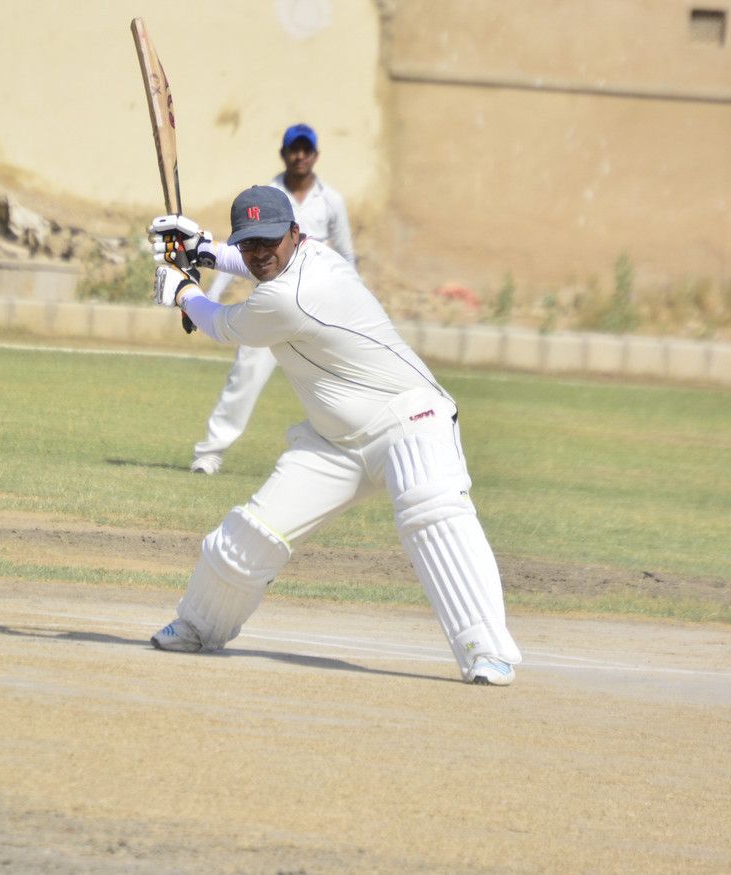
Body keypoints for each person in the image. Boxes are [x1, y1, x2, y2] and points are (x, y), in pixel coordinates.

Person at [146, 186, 522, 685]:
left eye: (269, 240)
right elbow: (255, 265)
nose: (259, 252)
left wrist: (182, 291)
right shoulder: (304, 259)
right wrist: (203, 251)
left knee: (431, 514)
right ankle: (199, 625)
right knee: (251, 534)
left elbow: (222, 325)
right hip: (333, 442)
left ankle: (487, 652)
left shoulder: (292, 295)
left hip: (408, 420)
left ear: (294, 234)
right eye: (249, 242)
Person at [190, 122, 355, 475]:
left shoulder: (331, 200)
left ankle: (344, 456)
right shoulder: (268, 195)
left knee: (332, 381)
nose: (299, 156)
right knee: (245, 375)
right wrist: (208, 296)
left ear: (315, 155)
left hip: (317, 307)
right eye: (294, 149)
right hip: (271, 302)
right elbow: (241, 250)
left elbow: (345, 254)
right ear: (283, 154)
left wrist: (349, 302)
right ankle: (211, 453)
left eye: (305, 150)